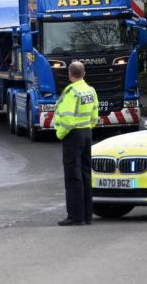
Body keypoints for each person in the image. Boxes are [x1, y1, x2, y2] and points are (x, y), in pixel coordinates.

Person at [54, 61, 98, 226]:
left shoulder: (71, 91)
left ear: (70, 74)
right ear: (84, 73)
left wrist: (60, 134)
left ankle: (75, 216)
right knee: (86, 174)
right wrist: (88, 126)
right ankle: (87, 215)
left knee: (73, 177)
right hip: (87, 133)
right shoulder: (90, 90)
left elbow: (66, 117)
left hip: (73, 135)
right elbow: (95, 113)